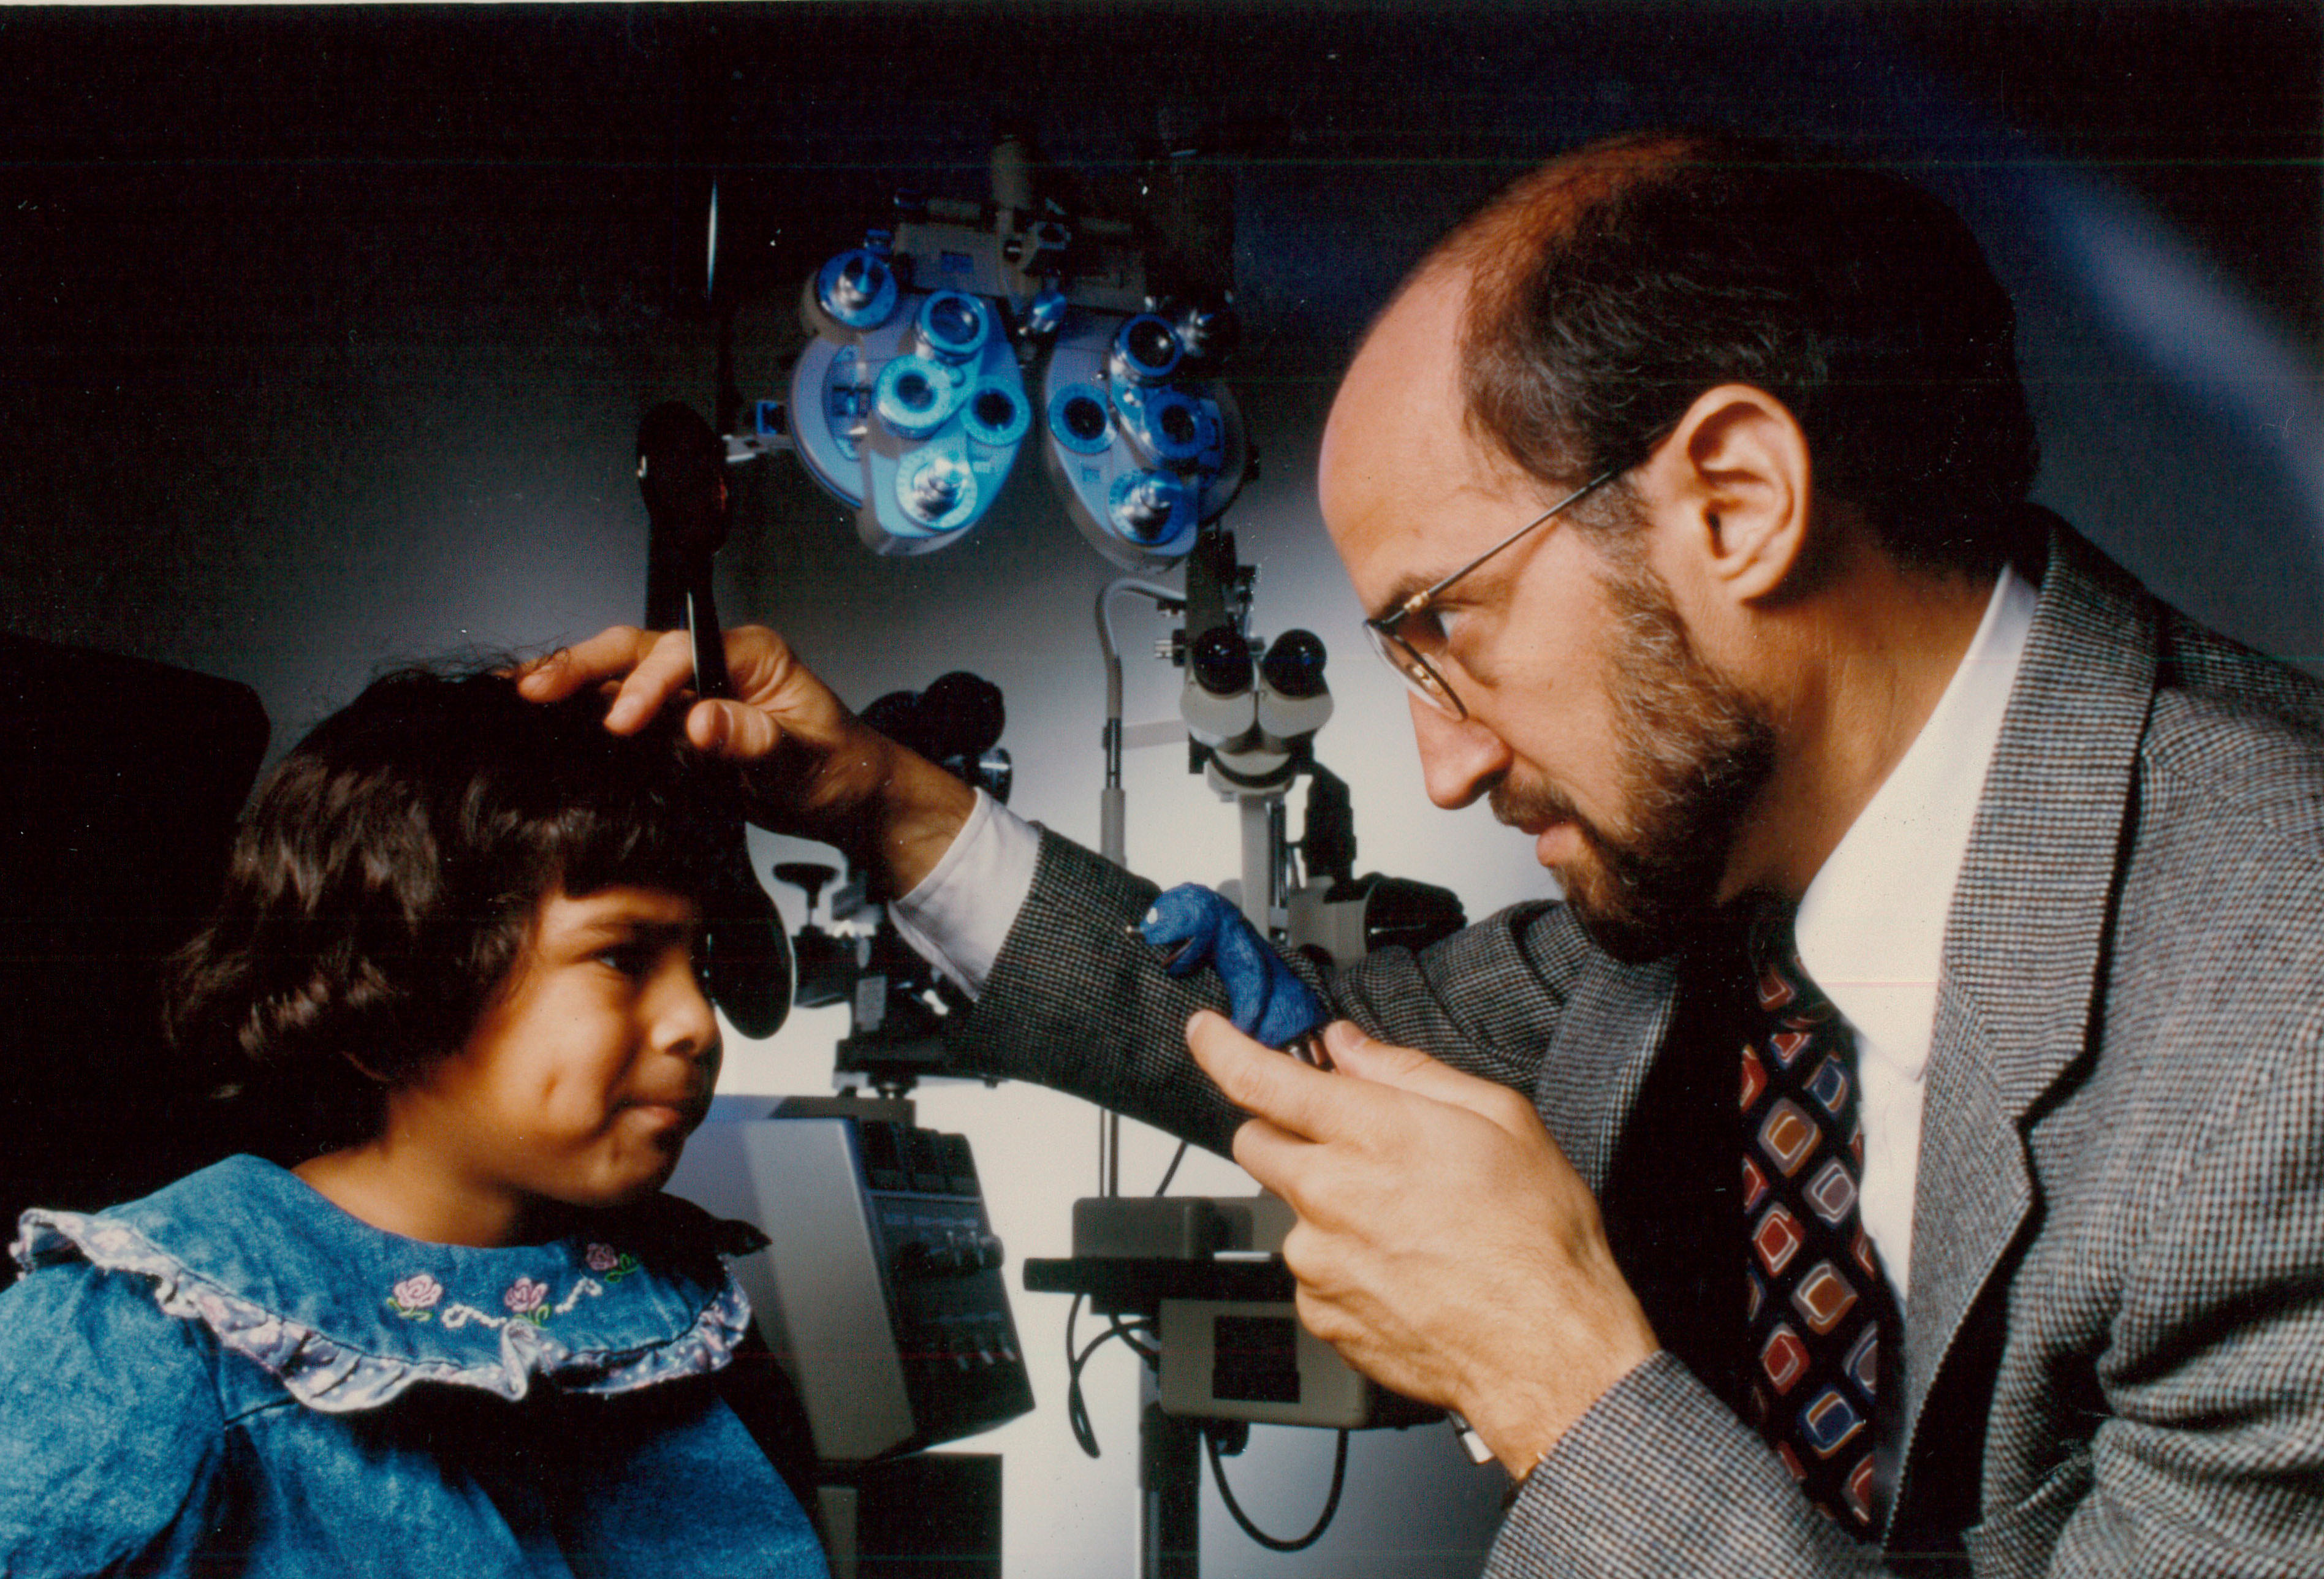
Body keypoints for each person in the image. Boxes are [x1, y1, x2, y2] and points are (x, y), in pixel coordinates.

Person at [523, 128, 2324, 1573]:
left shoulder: (2281, 1029)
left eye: (1446, 628)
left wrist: (1559, 1381)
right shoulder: (1728, 898)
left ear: (1736, 501)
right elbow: (1312, 1034)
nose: (1441, 771)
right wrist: (887, 804)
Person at [0, 667, 828, 1578]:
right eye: (624, 957)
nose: (697, 1022)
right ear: (402, 980)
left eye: (699, 962)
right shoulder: (151, 1327)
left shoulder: (679, 1308)